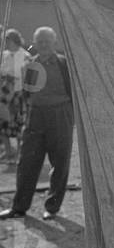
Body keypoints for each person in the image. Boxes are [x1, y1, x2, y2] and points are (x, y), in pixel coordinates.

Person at [0, 27, 74, 221]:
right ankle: (19, 207)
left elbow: (76, 93)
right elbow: (25, 93)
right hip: (35, 116)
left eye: (47, 41)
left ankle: (52, 207)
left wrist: (70, 116)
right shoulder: (30, 65)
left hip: (60, 115)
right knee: (27, 162)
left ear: (54, 42)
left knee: (60, 162)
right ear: (34, 43)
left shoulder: (65, 65)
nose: (43, 45)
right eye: (39, 42)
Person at [0, 29, 29, 163]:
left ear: (15, 40)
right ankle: (8, 151)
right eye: (4, 40)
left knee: (18, 123)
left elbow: (27, 77)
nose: (5, 43)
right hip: (4, 95)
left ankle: (19, 153)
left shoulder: (25, 55)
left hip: (18, 95)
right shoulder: (3, 55)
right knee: (3, 123)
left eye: (8, 40)